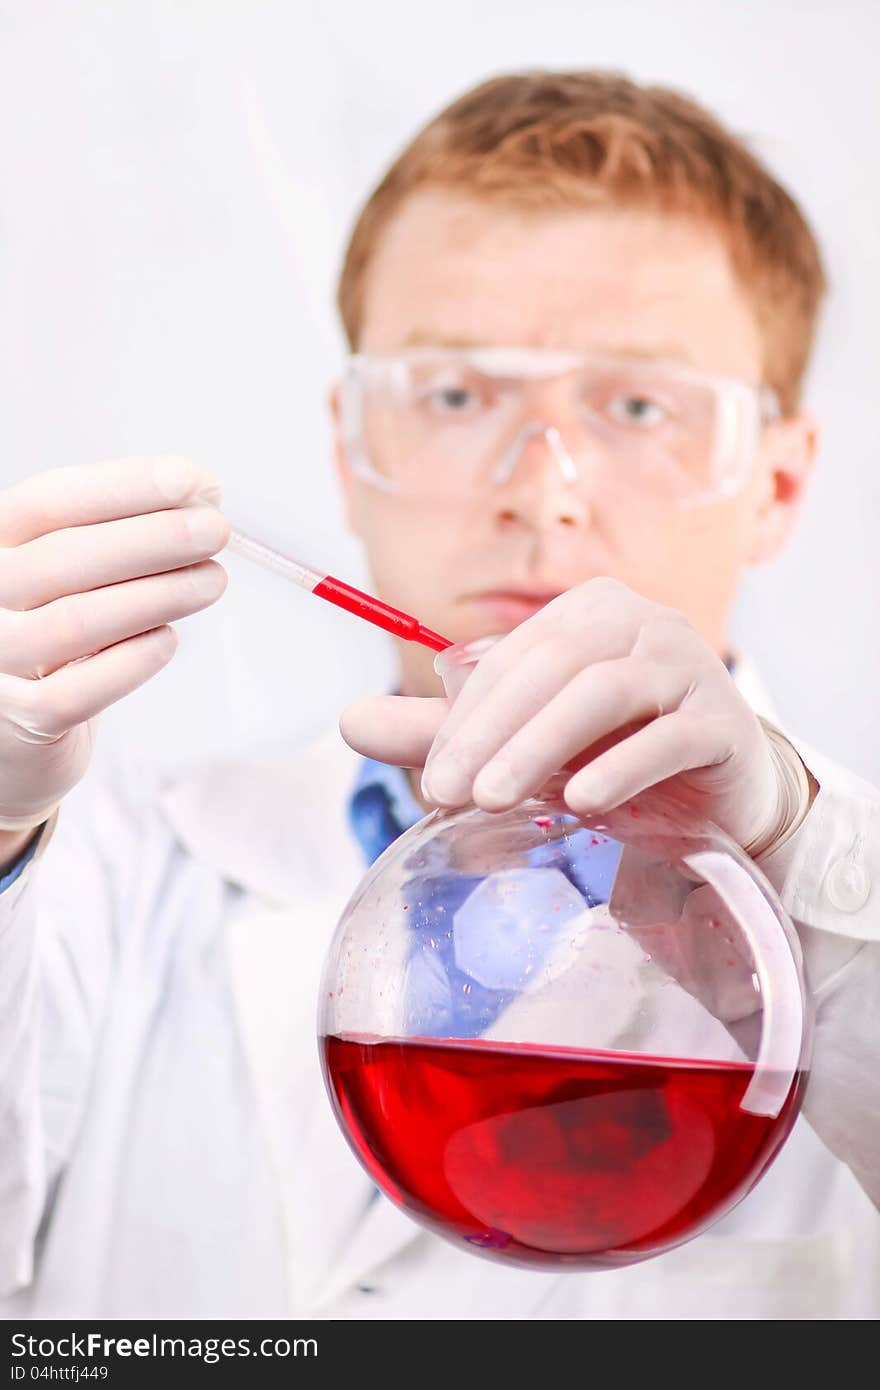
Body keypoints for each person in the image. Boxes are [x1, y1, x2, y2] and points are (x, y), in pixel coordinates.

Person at [0, 70, 877, 1322]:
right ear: (351, 454)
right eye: (457, 395)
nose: (541, 490)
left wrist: (807, 882)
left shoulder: (858, 894)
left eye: (636, 404)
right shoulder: (104, 874)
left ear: (777, 487)